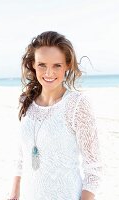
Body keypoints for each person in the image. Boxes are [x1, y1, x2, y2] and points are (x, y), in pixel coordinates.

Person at [8, 31, 102, 200]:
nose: (49, 73)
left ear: (67, 65)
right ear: (33, 65)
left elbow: (93, 169)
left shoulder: (77, 104)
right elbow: (22, 157)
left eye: (57, 65)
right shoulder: (25, 100)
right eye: (42, 64)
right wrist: (14, 194)